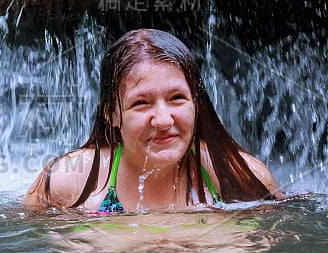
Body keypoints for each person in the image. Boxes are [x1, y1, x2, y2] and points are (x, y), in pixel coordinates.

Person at [23, 29, 282, 213]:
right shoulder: (67, 182)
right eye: (141, 103)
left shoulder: (242, 177)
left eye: (177, 98)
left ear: (196, 104)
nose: (162, 120)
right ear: (111, 114)